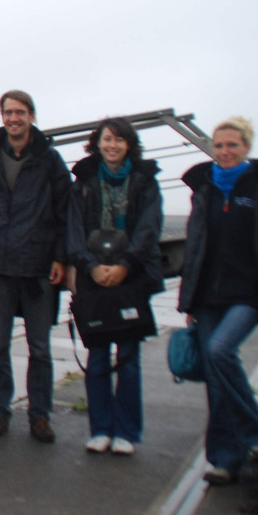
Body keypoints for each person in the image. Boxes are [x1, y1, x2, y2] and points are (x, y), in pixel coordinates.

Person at [179, 117, 258, 484]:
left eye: (233, 145)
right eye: (219, 145)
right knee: (217, 381)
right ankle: (224, 459)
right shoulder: (204, 188)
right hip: (208, 299)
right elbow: (195, 244)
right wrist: (188, 301)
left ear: (247, 147)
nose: (225, 152)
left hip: (247, 295)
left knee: (219, 352)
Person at [0, 90, 71, 443]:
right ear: (2, 116)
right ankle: (0, 409)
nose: (14, 118)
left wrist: (61, 257)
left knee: (39, 347)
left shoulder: (49, 160)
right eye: (8, 112)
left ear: (31, 116)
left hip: (38, 265)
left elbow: (65, 211)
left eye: (21, 112)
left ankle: (40, 415)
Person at [65, 118, 164, 455]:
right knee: (97, 354)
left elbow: (150, 227)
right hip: (93, 276)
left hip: (131, 276)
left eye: (120, 140)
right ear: (98, 142)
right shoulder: (83, 182)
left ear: (129, 144)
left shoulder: (145, 180)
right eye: (107, 139)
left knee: (129, 356)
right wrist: (89, 267)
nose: (112, 145)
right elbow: (74, 230)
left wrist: (126, 265)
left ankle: (127, 431)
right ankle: (100, 428)